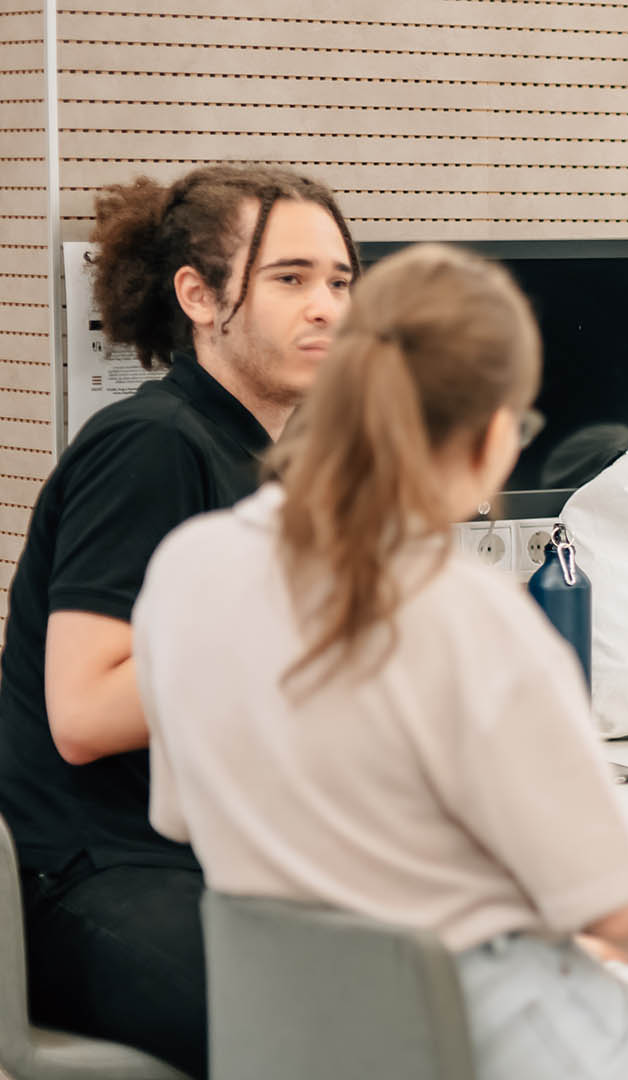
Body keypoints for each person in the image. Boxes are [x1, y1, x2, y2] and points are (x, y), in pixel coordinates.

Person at [131, 243, 628, 1080]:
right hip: (490, 1033)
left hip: (300, 1038)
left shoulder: (186, 566)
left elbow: (183, 817)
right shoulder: (468, 611)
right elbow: (623, 906)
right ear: (493, 436)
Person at [0, 164, 357, 1076]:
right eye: (290, 279)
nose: (325, 307)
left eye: (340, 281)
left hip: (227, 862)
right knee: (348, 1034)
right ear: (199, 297)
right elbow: (81, 715)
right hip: (99, 875)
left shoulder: (272, 462)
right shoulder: (153, 445)